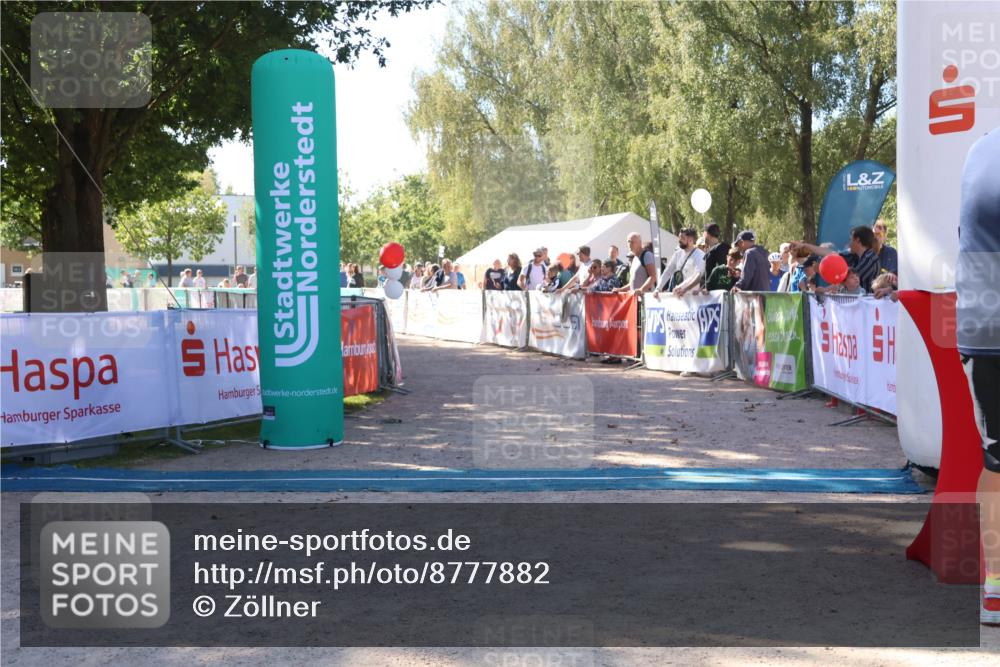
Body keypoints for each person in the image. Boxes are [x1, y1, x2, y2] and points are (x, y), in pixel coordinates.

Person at [952, 129, 1000, 627]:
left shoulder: (979, 149)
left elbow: (964, 236)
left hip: (980, 327)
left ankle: (994, 586)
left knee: (997, 460)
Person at [791, 226, 880, 292]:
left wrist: (825, 287)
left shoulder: (870, 259)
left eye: (851, 240)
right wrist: (804, 245)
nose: (849, 244)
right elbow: (830, 253)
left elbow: (849, 280)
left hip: (866, 306)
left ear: (858, 241)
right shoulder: (853, 255)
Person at [657, 228, 705, 296]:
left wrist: (684, 289)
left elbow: (698, 276)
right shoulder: (678, 253)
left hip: (693, 298)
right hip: (679, 297)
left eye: (682, 238)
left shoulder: (700, 255)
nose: (679, 240)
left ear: (691, 240)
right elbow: (667, 272)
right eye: (679, 237)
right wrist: (658, 288)